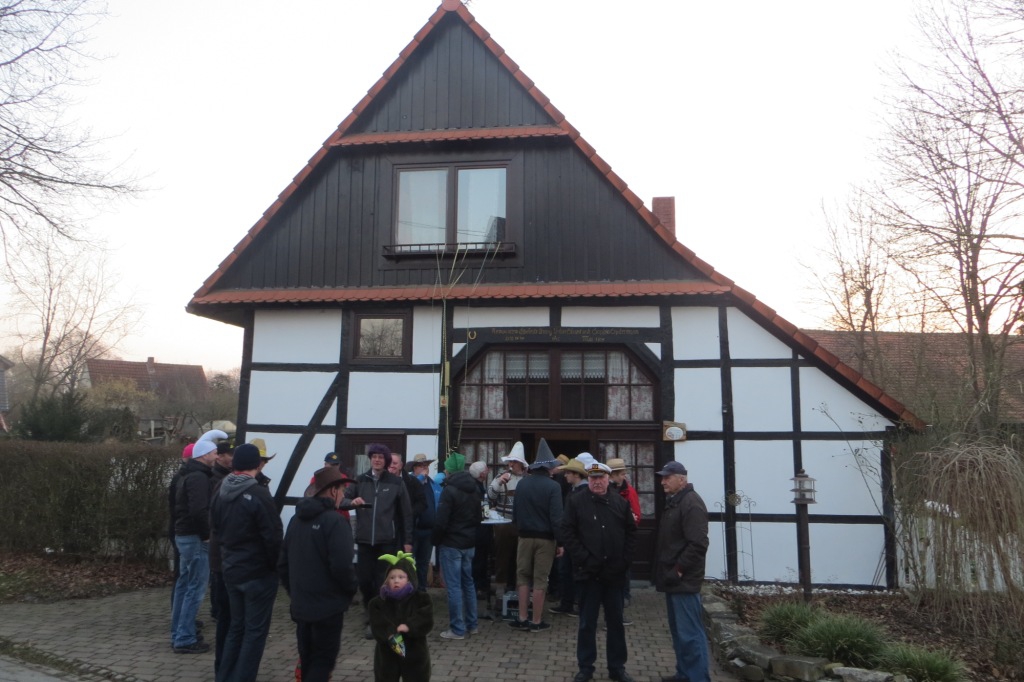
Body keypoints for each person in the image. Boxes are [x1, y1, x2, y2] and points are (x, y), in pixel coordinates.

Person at [210, 443, 283, 682]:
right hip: (257, 574)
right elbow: (273, 536)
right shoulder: (258, 493)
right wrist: (275, 567)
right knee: (254, 632)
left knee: (236, 628)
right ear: (255, 464)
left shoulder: (221, 489)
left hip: (231, 570)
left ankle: (224, 676)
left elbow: (215, 527)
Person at [279, 466, 359, 682]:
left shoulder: (296, 520)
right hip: (328, 608)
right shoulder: (335, 521)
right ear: (333, 491)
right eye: (342, 490)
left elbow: (283, 564)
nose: (343, 495)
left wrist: (295, 592)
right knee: (322, 662)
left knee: (307, 660)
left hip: (302, 605)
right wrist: (350, 591)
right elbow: (343, 566)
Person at [561, 462, 637, 682]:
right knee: (587, 623)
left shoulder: (620, 503)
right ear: (588, 479)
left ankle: (617, 668)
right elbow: (568, 532)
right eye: (593, 478)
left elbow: (631, 534)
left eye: (601, 478)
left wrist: (624, 561)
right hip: (588, 574)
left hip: (614, 574)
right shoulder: (576, 502)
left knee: (615, 623)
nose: (597, 482)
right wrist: (584, 559)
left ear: (608, 479)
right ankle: (586, 667)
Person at [339, 443, 414, 639]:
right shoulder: (360, 480)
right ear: (370, 459)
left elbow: (406, 514)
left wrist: (408, 541)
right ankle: (369, 610)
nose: (377, 460)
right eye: (374, 457)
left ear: (386, 461)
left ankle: (377, 620)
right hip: (364, 540)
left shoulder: (396, 482)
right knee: (364, 581)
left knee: (382, 582)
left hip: (386, 541)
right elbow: (342, 501)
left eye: (381, 457)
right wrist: (352, 502)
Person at [653, 460, 710, 682]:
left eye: (667, 477)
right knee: (679, 632)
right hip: (674, 578)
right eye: (662, 477)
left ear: (682, 479)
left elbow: (698, 543)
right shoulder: (677, 501)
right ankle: (685, 674)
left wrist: (678, 569)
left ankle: (697, 678)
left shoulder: (691, 503)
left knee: (690, 634)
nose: (663, 481)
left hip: (684, 580)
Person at [508, 439, 562, 633]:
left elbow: (515, 514)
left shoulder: (522, 484)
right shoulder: (553, 487)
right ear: (548, 468)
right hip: (546, 539)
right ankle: (536, 621)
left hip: (524, 537)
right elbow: (557, 518)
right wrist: (560, 542)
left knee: (522, 576)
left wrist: (521, 531)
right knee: (540, 579)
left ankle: (522, 618)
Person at [170, 437, 218, 653]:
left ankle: (179, 632)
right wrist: (206, 535)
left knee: (184, 585)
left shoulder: (188, 475)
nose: (216, 456)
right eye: (214, 452)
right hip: (195, 538)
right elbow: (199, 510)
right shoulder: (199, 477)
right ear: (205, 455)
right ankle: (185, 637)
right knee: (194, 589)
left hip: (184, 535)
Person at [432, 453, 481, 640]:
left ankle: (457, 629)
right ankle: (472, 625)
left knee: (453, 587)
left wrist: (435, 540)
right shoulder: (474, 489)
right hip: (469, 543)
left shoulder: (449, 490)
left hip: (451, 543)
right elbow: (478, 518)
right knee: (468, 583)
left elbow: (441, 521)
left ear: (449, 470)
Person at [368, 552, 434, 681]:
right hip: (387, 651)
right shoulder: (378, 602)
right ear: (387, 580)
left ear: (410, 579)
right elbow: (377, 622)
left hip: (415, 650)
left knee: (416, 676)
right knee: (386, 676)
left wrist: (410, 625)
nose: (396, 580)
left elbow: (426, 618)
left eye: (401, 577)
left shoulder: (421, 599)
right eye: (392, 577)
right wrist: (389, 632)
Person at [550, 457, 589, 617]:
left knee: (576, 572)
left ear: (576, 475)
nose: (565, 475)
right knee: (565, 571)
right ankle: (567, 603)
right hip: (570, 539)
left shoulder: (583, 492)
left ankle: (579, 604)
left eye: (568, 473)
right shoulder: (573, 490)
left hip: (576, 540)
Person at [208, 441, 234, 672]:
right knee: (225, 616)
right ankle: (224, 669)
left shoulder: (223, 480)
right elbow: (213, 519)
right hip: (223, 559)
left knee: (225, 616)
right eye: (228, 454)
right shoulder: (219, 482)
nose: (231, 458)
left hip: (224, 558)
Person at [488, 441, 526, 595]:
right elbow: (490, 496)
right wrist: (499, 482)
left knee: (520, 559)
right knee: (502, 558)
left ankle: (518, 589)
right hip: (503, 524)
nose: (511, 464)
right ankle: (500, 589)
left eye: (514, 462)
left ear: (521, 464)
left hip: (521, 524)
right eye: (510, 462)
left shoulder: (527, 479)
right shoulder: (499, 476)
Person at [608, 457, 641, 612]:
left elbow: (637, 515)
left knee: (624, 568)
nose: (624, 476)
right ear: (612, 475)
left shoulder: (629, 491)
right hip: (607, 537)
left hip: (622, 536)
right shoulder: (605, 490)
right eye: (621, 474)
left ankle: (625, 595)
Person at [407, 453, 439, 591]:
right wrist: (420, 478)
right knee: (409, 562)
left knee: (423, 563)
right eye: (421, 465)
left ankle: (421, 591)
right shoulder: (409, 482)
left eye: (426, 465)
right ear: (414, 468)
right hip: (413, 530)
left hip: (428, 530)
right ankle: (408, 590)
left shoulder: (433, 484)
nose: (425, 468)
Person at [389, 452, 427, 559]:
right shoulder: (381, 481)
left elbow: (422, 503)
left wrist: (409, 514)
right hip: (386, 532)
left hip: (405, 531)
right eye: (389, 463)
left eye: (395, 463)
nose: (391, 466)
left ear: (401, 465)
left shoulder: (412, 482)